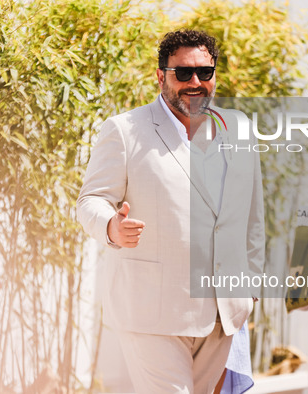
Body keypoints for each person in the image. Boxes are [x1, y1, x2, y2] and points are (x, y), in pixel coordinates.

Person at [76, 29, 265, 394]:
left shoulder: (240, 128)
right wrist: (112, 228)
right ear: (160, 75)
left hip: (222, 314)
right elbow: (90, 200)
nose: (195, 83)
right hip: (153, 311)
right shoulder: (125, 130)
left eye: (204, 73)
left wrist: (251, 285)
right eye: (183, 73)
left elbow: (253, 215)